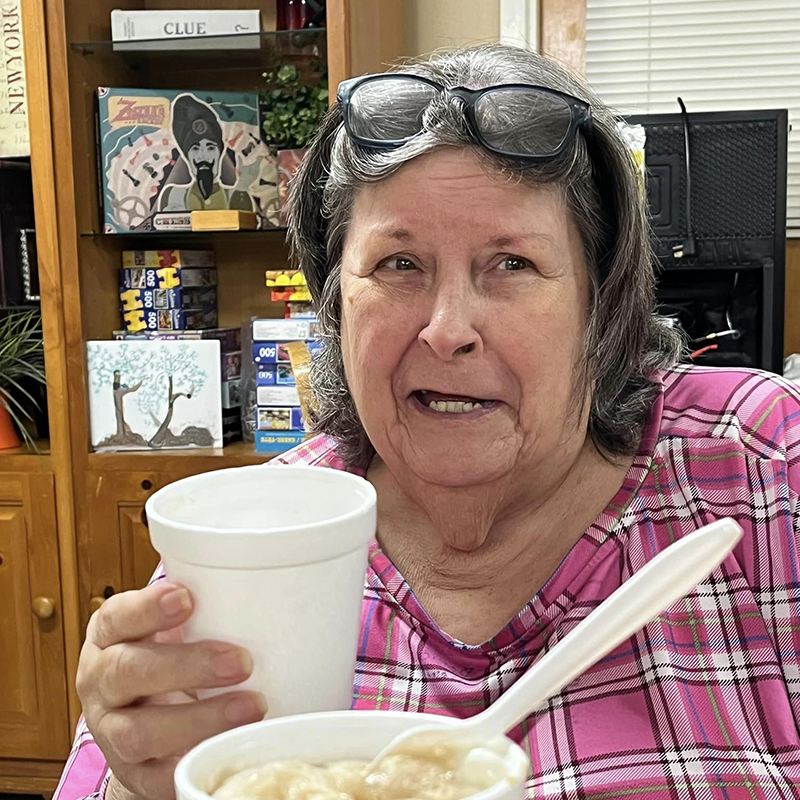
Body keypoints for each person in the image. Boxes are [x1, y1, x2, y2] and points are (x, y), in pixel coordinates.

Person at [59, 45, 800, 800]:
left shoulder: (763, 464)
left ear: (597, 302)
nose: (448, 330)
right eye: (398, 265)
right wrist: (142, 781)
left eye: (511, 264)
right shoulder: (259, 539)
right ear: (337, 304)